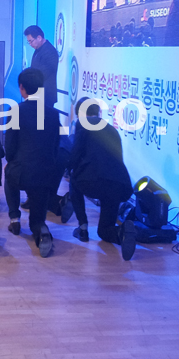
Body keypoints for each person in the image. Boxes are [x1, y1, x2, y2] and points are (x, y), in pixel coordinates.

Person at [67, 100, 137, 260]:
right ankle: (123, 232)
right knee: (104, 230)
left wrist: (68, 167)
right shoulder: (112, 129)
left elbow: (76, 153)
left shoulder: (83, 123)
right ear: (98, 112)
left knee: (73, 178)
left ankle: (83, 228)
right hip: (118, 185)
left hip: (93, 181)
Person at [4, 67, 61, 258]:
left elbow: (9, 146)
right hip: (45, 174)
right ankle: (41, 230)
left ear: (22, 88)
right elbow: (56, 146)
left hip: (21, 172)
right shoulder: (53, 114)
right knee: (37, 219)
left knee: (8, 172)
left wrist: (12, 162)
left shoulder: (15, 111)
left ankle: (14, 219)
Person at [24, 25, 59, 108]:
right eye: (28, 42)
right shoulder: (38, 49)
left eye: (31, 41)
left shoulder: (50, 51)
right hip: (37, 93)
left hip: (45, 95)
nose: (30, 44)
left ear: (39, 38)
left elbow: (42, 73)